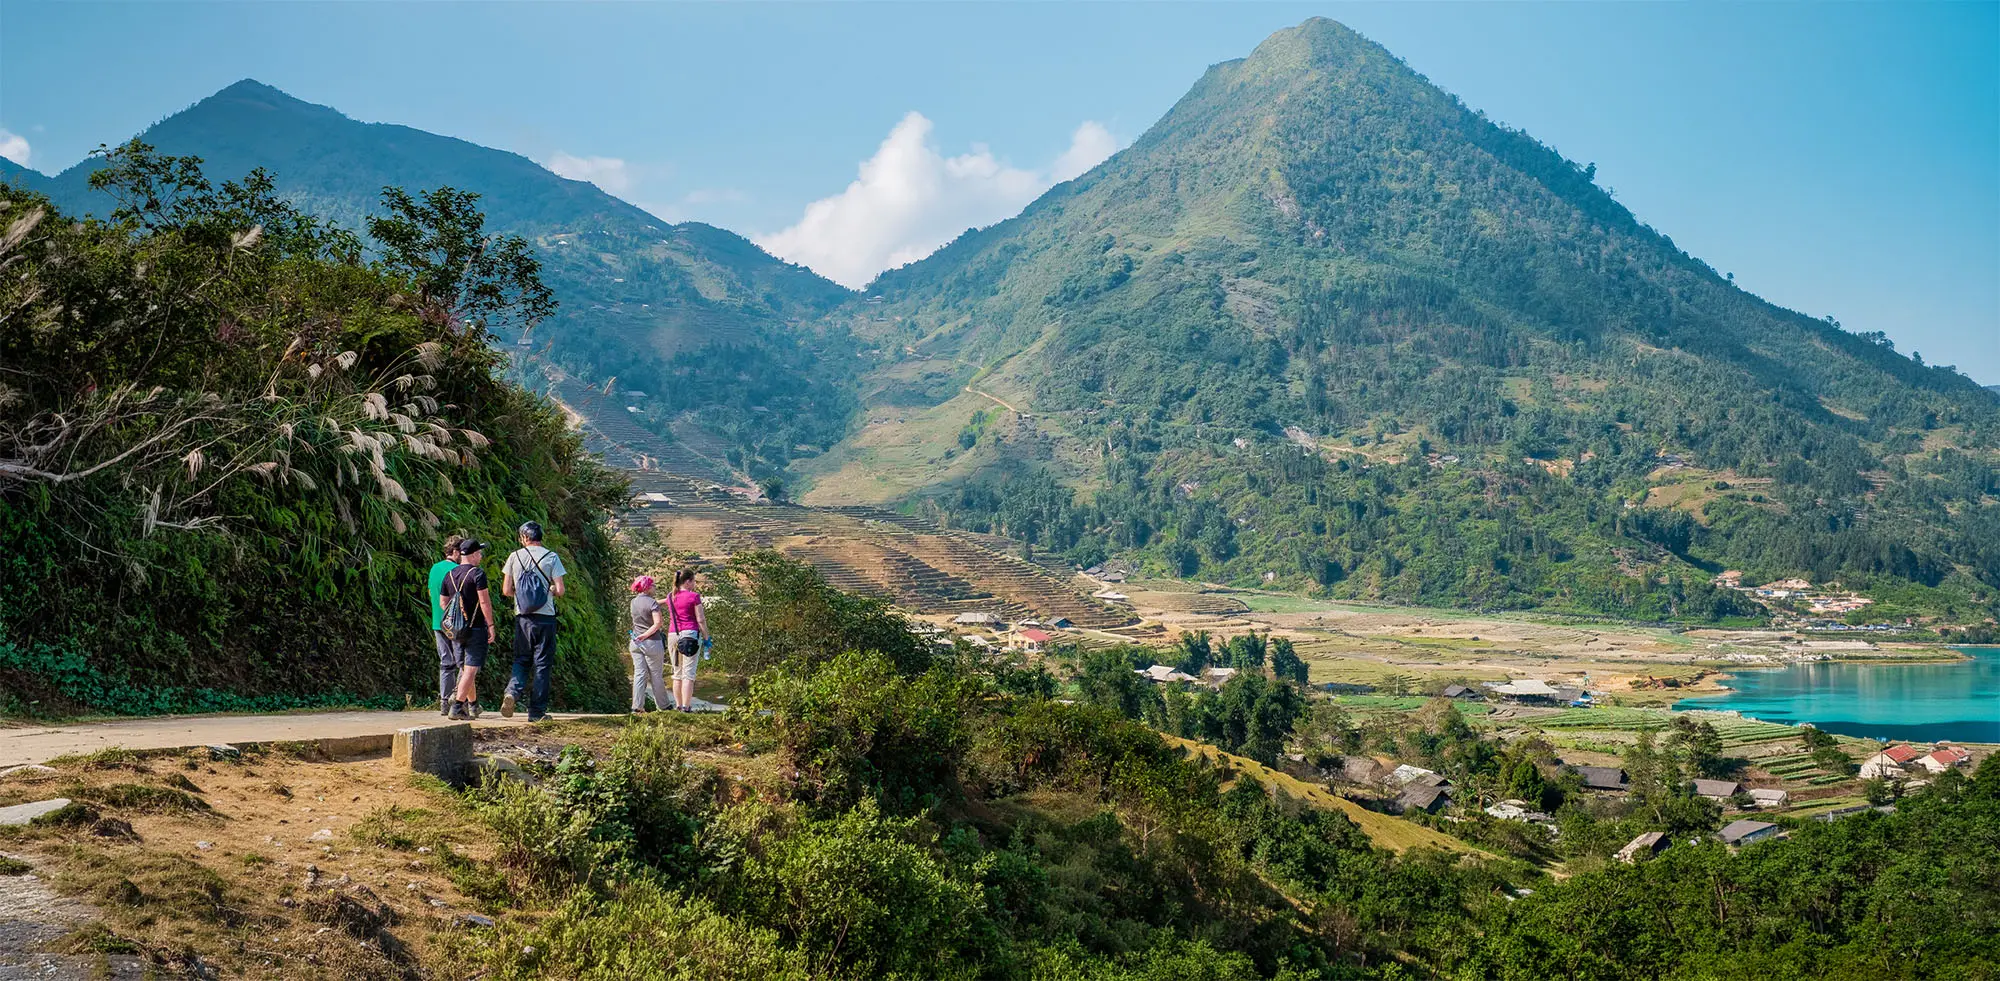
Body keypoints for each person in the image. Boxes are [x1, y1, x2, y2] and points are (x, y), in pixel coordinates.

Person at [500, 521, 567, 722]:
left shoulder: (514, 556)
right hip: (545, 618)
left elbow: (506, 590)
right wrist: (550, 590)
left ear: (524, 537)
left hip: (523, 618)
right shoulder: (551, 557)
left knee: (521, 659)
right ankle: (536, 713)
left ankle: (512, 692)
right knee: (542, 664)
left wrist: (521, 594)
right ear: (540, 537)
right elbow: (560, 590)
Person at [440, 538, 497, 720]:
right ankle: (457, 706)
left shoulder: (449, 575)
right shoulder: (477, 574)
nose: (480, 556)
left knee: (465, 669)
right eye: (479, 553)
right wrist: (490, 625)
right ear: (473, 554)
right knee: (470, 669)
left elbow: (443, 602)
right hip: (476, 628)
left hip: (456, 631)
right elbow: (484, 602)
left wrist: (457, 617)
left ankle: (473, 705)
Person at [426, 536, 464, 716]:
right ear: (455, 552)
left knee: (446, 662)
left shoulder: (434, 568)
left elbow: (430, 592)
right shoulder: (458, 570)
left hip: (438, 621)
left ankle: (444, 702)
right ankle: (459, 700)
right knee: (464, 663)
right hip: (456, 623)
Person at [665, 567, 707, 713]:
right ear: (688, 582)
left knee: (677, 673)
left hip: (673, 635)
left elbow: (660, 602)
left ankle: (678, 705)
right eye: (694, 581)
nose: (694, 584)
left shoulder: (670, 596)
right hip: (690, 635)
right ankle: (686, 707)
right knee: (688, 674)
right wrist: (706, 637)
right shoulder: (694, 597)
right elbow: (700, 619)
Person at [627, 576, 671, 713]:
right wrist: (646, 635)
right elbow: (658, 623)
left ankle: (637, 707)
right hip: (652, 643)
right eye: (653, 586)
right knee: (656, 675)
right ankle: (664, 706)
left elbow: (648, 605)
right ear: (647, 587)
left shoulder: (633, 602)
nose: (655, 588)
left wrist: (665, 601)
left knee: (639, 674)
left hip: (635, 643)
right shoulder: (652, 603)